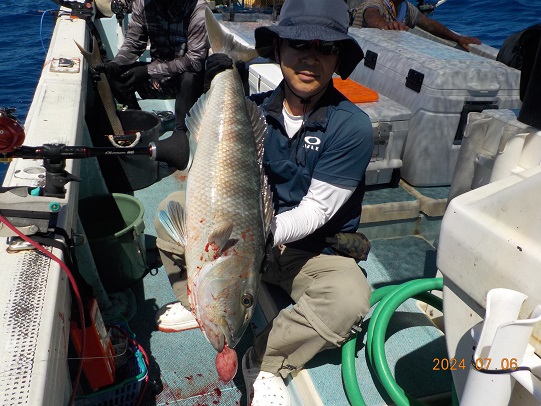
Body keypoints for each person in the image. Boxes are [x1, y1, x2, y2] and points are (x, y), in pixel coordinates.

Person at [154, 0, 374, 403]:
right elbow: (212, 164)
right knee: (171, 208)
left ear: (338, 56)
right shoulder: (252, 111)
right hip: (246, 243)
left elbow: (317, 210)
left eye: (325, 48)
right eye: (297, 44)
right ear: (277, 50)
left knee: (349, 298)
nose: (310, 58)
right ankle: (200, 302)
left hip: (308, 250)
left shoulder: (353, 126)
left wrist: (257, 235)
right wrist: (215, 84)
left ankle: (267, 362)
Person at [95, 0, 209, 149]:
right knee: (114, 75)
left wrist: (147, 71)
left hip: (187, 85)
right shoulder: (142, 3)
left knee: (190, 78)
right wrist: (115, 64)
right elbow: (133, 44)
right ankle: (136, 121)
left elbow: (195, 61)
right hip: (155, 81)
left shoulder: (198, 7)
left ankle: (181, 135)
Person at [351, 0, 481, 51]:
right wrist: (385, 25)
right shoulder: (376, 2)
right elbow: (371, 14)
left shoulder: (405, 8)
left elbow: (429, 24)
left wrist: (457, 38)